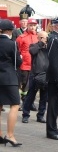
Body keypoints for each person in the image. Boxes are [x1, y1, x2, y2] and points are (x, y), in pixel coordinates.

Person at [0, 19, 23, 147]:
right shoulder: (12, 44)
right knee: (15, 105)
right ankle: (10, 135)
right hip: (9, 78)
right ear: (9, 31)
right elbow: (17, 62)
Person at [22, 31, 49, 124]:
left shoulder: (49, 48)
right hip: (35, 75)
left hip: (46, 75)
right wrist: (41, 43)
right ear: (39, 38)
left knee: (44, 97)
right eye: (43, 37)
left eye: (46, 37)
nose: (45, 39)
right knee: (30, 96)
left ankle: (40, 116)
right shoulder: (34, 45)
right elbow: (33, 51)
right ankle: (25, 115)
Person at [16, 18, 38, 111]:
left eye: (34, 25)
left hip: (35, 66)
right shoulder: (21, 38)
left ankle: (31, 102)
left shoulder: (38, 37)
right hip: (24, 65)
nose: (32, 27)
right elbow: (17, 50)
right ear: (27, 26)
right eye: (31, 25)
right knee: (24, 85)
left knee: (33, 86)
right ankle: (23, 102)